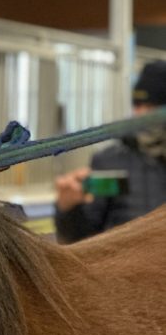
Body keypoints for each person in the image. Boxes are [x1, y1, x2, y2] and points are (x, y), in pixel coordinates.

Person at [54, 60, 166, 243]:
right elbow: (82, 237)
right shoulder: (110, 163)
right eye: (137, 105)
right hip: (125, 268)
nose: (141, 114)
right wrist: (69, 209)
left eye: (151, 107)